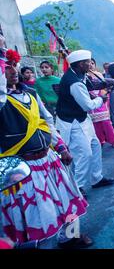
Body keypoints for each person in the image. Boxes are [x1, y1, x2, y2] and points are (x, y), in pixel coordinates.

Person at [0, 37, 91, 247]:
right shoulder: (2, 102)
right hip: (23, 168)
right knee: (41, 213)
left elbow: (47, 121)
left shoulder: (31, 93)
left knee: (67, 201)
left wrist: (61, 147)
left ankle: (72, 237)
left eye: (13, 65)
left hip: (49, 160)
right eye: (6, 68)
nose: (12, 70)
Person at [56, 50, 114, 198]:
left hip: (81, 119)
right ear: (81, 64)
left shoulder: (77, 75)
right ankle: (78, 186)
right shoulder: (75, 82)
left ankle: (96, 178)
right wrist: (101, 98)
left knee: (95, 146)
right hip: (72, 122)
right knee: (84, 154)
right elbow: (88, 105)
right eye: (88, 62)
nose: (90, 64)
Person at [87, 59, 114, 147]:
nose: (91, 65)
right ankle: (100, 140)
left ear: (95, 65)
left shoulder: (99, 75)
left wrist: (102, 97)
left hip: (101, 100)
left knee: (106, 122)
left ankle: (113, 141)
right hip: (91, 102)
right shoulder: (84, 76)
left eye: (92, 63)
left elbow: (104, 88)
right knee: (96, 124)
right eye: (89, 63)